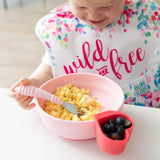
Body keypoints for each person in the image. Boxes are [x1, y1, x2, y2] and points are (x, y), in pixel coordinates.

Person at [8, 0, 160, 109]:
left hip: (142, 113)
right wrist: (34, 83)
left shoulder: (145, 20)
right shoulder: (64, 31)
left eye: (106, 6)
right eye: (80, 6)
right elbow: (50, 69)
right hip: (82, 117)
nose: (93, 16)